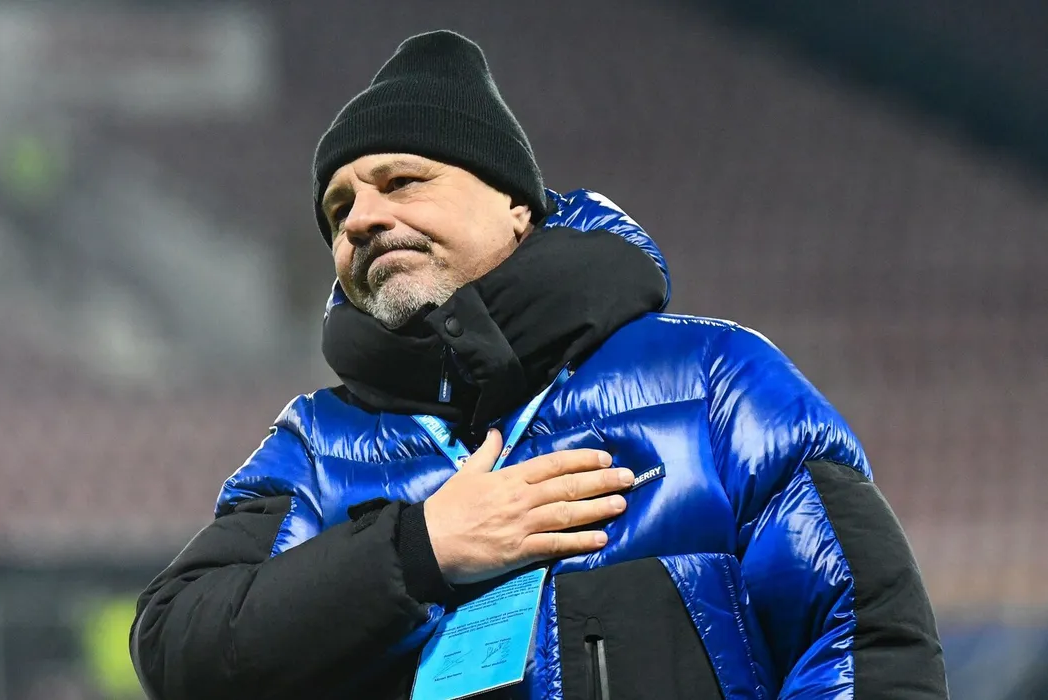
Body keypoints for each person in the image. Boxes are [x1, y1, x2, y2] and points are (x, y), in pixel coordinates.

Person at [130, 30, 948, 700]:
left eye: (401, 182)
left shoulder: (711, 379)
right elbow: (177, 649)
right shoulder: (316, 446)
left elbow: (862, 639)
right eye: (338, 208)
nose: (360, 221)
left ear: (515, 206)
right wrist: (416, 550)